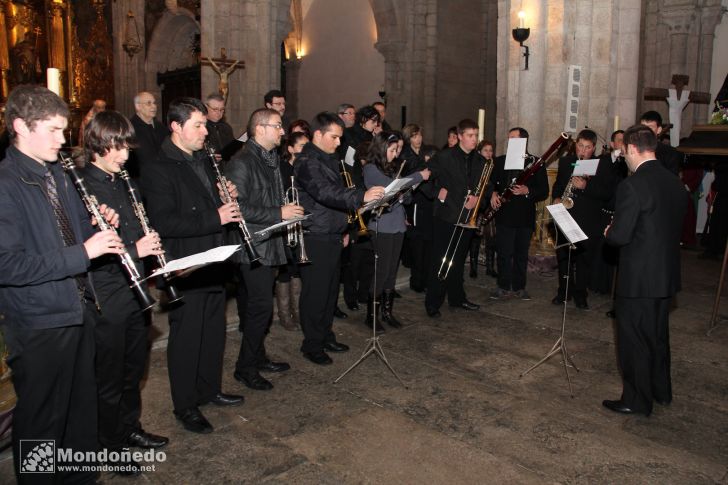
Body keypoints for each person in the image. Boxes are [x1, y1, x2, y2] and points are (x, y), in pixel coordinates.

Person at [0, 85, 124, 483]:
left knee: (79, 409)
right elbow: (8, 265)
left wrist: (97, 222)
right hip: (39, 322)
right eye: (53, 130)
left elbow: (67, 230)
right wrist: (83, 253)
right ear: (21, 126)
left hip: (78, 307)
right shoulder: (5, 184)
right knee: (41, 420)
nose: (63, 139)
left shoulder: (58, 172)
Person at [140, 97, 243, 435]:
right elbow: (165, 222)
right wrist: (216, 215)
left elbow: (208, 203)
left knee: (213, 330)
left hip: (214, 256)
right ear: (175, 126)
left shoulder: (202, 158)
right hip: (187, 263)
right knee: (187, 336)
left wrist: (226, 194)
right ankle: (185, 404)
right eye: (198, 125)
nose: (205, 131)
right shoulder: (158, 167)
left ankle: (209, 388)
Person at [79, 111, 169, 476]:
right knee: (110, 377)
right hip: (108, 293)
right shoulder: (84, 186)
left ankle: (130, 427)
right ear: (98, 145)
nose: (124, 155)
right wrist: (138, 250)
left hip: (135, 289)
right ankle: (109, 444)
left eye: (126, 147)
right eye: (116, 147)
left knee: (135, 369)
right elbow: (94, 251)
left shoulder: (122, 180)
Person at [602, 124, 687, 416]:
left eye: (624, 151)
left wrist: (610, 231)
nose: (623, 156)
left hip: (638, 278)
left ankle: (636, 400)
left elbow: (620, 236)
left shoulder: (632, 185)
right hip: (665, 275)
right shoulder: (673, 181)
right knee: (657, 336)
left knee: (634, 340)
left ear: (633, 149)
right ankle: (661, 391)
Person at [294, 112, 384, 365]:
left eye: (340, 138)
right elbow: (324, 193)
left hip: (332, 232)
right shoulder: (307, 161)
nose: (338, 143)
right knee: (315, 292)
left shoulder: (328, 158)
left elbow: (339, 192)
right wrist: (361, 197)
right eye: (334, 137)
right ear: (318, 134)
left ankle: (325, 335)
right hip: (315, 235)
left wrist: (344, 229)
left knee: (331, 290)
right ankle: (311, 344)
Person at [226, 108, 299, 391]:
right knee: (259, 309)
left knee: (260, 308)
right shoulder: (242, 162)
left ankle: (258, 357)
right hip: (252, 247)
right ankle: (245, 368)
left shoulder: (269, 159)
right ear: (260, 129)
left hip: (269, 242)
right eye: (278, 126)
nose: (283, 132)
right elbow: (238, 208)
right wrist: (278, 212)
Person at [363, 132, 429, 331]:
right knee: (381, 270)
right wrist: (418, 176)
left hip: (398, 223)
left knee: (392, 271)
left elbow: (405, 197)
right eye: (392, 150)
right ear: (381, 149)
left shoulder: (393, 168)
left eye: (397, 150)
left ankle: (387, 312)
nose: (395, 154)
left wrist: (405, 193)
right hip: (381, 225)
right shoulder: (370, 168)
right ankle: (371, 315)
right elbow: (387, 188)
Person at [425, 119, 485, 317]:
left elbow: (488, 186)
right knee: (440, 260)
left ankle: (457, 298)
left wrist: (478, 200)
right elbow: (423, 179)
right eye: (470, 135)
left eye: (476, 135)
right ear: (459, 136)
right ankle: (433, 303)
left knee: (458, 261)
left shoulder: (480, 160)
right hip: (446, 216)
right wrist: (437, 193)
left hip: (467, 217)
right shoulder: (444, 157)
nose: (474, 139)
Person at [551, 129, 616, 310]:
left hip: (588, 219)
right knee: (564, 257)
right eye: (580, 146)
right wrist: (556, 197)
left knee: (583, 260)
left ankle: (581, 294)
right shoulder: (566, 162)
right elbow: (558, 185)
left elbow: (607, 193)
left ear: (593, 148)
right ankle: (563, 291)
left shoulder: (602, 165)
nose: (583, 151)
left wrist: (586, 186)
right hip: (565, 216)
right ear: (575, 145)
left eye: (587, 147)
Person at [488, 127, 548, 300]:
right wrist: (492, 193)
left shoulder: (536, 163)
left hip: (524, 216)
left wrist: (527, 190)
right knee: (504, 252)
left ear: (524, 141)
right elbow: (490, 183)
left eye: (514, 138)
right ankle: (503, 285)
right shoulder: (499, 161)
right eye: (509, 138)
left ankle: (520, 286)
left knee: (521, 253)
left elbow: (544, 191)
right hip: (504, 215)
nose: (510, 142)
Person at [276, 131, 310, 331]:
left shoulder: (305, 168)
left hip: (300, 221)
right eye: (302, 146)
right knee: (285, 269)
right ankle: (284, 314)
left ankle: (297, 312)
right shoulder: (282, 167)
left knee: (297, 267)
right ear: (290, 148)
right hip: (284, 222)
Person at [469, 140, 495, 279]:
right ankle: (473, 267)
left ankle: (490, 267)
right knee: (476, 237)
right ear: (479, 152)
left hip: (489, 206)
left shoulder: (493, 165)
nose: (489, 153)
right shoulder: (476, 165)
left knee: (490, 237)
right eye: (486, 150)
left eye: (491, 150)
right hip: (478, 205)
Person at [128, 91, 169, 178]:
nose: (153, 106)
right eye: (148, 103)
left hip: (164, 175)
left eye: (154, 103)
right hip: (142, 178)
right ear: (138, 106)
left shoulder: (161, 127)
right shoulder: (130, 128)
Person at [639, 110, 682, 175]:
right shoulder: (634, 148)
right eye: (643, 127)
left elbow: (672, 180)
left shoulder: (670, 153)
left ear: (659, 130)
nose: (645, 131)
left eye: (650, 127)